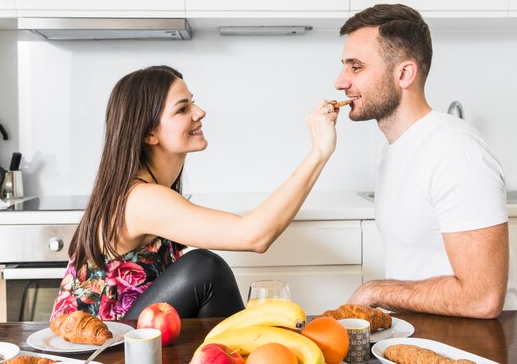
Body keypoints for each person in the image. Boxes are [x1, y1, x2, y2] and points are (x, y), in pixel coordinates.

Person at [51, 65, 339, 321]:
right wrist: (319, 151)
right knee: (204, 267)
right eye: (182, 109)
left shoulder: (146, 191)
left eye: (193, 103)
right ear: (149, 134)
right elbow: (255, 236)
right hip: (99, 351)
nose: (200, 113)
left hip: (129, 335)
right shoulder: (141, 199)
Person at [335, 4, 517, 318]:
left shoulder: (455, 151)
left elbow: (482, 297)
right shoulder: (394, 150)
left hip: (467, 346)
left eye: (356, 67)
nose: (340, 82)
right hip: (417, 336)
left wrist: (376, 291)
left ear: (404, 73)